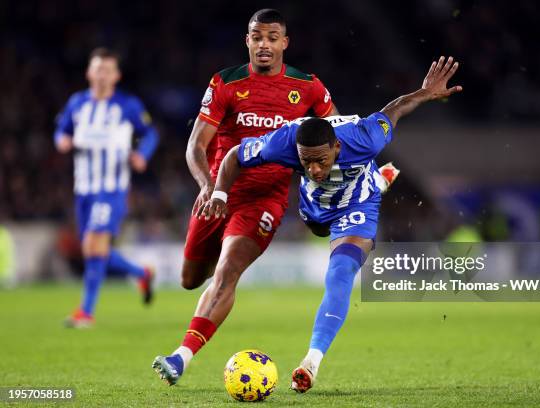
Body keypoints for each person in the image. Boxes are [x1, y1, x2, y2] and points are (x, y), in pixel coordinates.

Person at [152, 8, 399, 385]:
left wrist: (367, 181)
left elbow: (336, 140)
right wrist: (209, 186)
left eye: (272, 38)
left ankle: (181, 357)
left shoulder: (310, 87)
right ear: (247, 41)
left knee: (227, 270)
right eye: (256, 37)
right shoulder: (225, 83)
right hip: (220, 192)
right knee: (190, 278)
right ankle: (204, 308)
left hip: (264, 200)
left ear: (285, 42)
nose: (264, 45)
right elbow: (195, 147)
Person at [203, 56, 462, 393]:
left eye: (320, 160)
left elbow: (394, 109)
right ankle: (380, 180)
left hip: (358, 207)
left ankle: (311, 361)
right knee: (318, 229)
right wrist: (220, 193)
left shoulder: (364, 138)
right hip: (316, 209)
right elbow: (235, 155)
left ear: (337, 147)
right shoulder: (283, 142)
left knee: (340, 272)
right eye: (305, 161)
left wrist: (424, 93)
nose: (312, 169)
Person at [55, 48, 159, 328]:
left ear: (116, 76)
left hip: (112, 188)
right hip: (84, 188)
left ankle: (86, 312)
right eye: (97, 69)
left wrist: (142, 155)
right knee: (92, 248)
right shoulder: (77, 104)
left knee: (93, 244)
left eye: (107, 70)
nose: (101, 75)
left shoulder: (127, 105)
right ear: (89, 72)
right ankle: (141, 273)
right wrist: (61, 141)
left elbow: (150, 133)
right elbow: (61, 130)